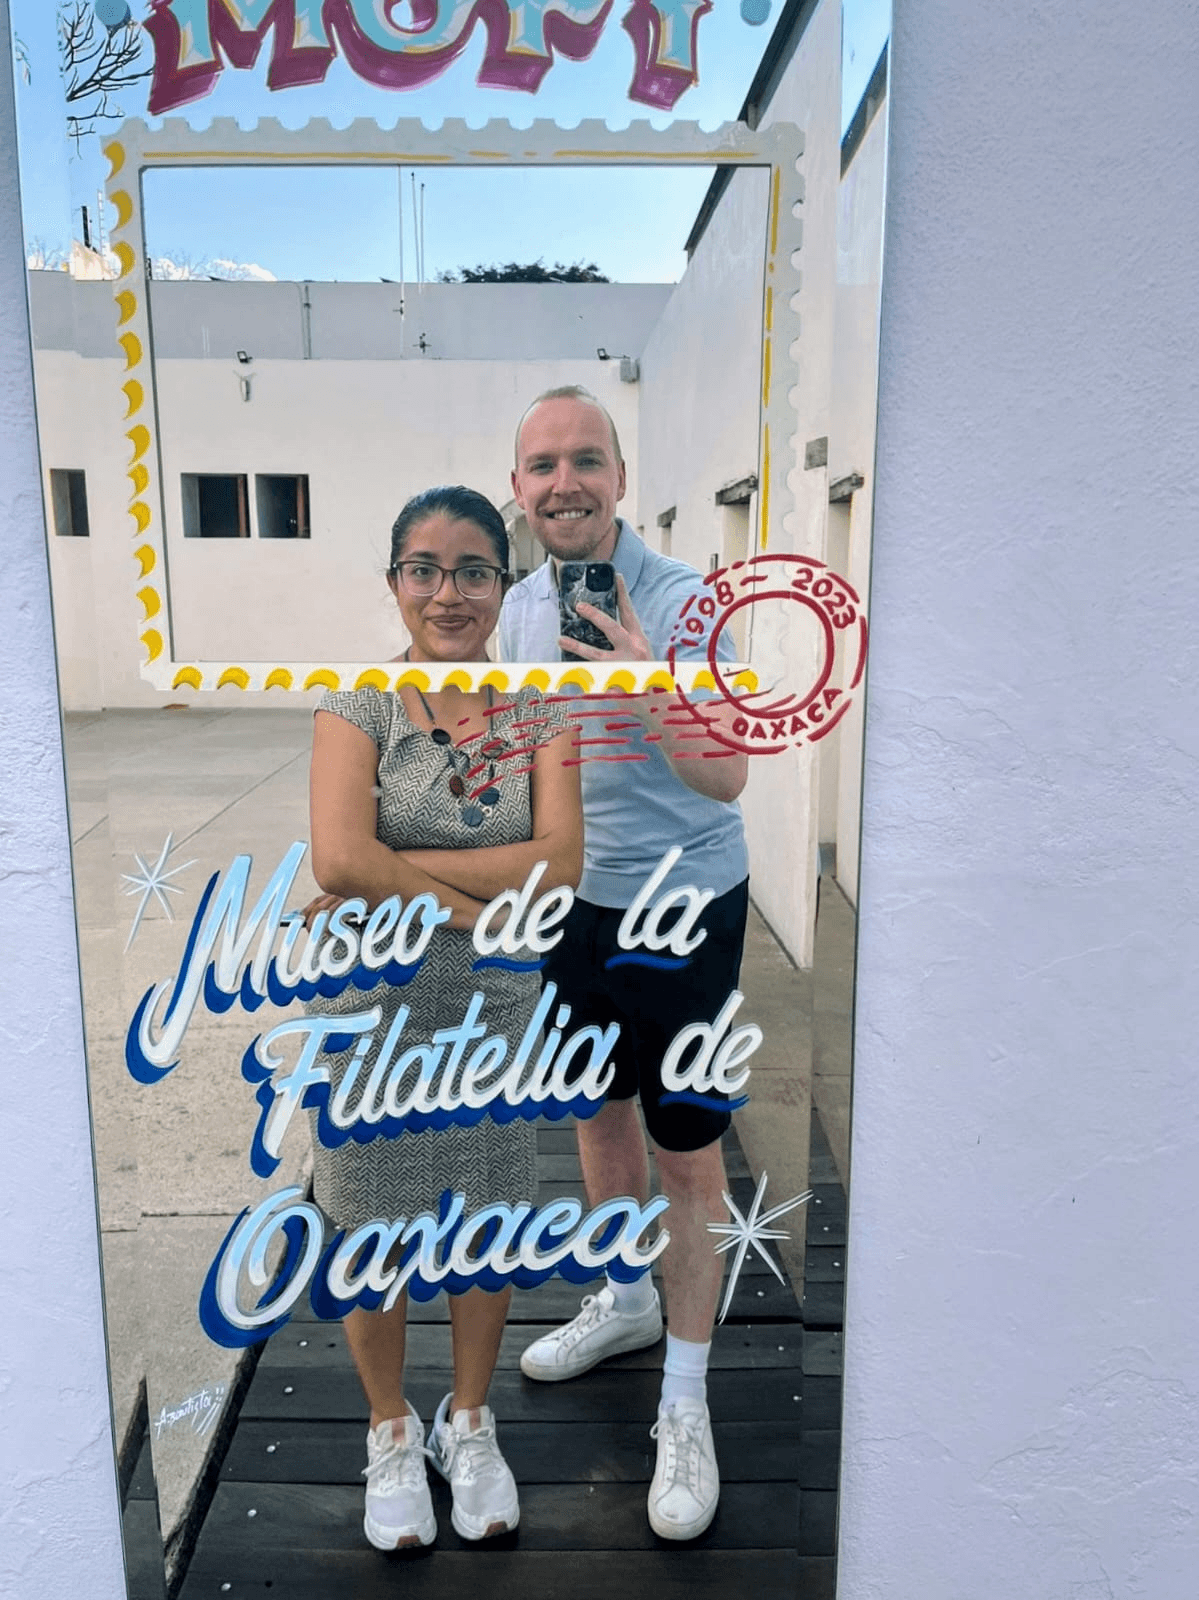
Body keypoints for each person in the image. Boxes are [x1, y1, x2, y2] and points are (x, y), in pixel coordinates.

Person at [304, 485, 581, 1551]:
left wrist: (397, 869)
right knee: (372, 1224)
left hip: (497, 1019)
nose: (448, 591)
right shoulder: (355, 701)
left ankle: (468, 1419)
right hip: (371, 1019)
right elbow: (333, 858)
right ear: (393, 583)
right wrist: (480, 904)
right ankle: (389, 1425)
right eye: (423, 568)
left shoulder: (538, 711)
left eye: (472, 569)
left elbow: (559, 864)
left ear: (503, 588)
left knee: (483, 1223)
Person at [499, 387, 750, 1541]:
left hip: (682, 906)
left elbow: (727, 776)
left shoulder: (687, 602)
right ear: (519, 487)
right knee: (596, 1121)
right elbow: (508, 762)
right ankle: (623, 1299)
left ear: (617, 477)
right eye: (542, 464)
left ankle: (685, 1404)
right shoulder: (512, 613)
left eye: (584, 460)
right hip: (571, 909)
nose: (564, 482)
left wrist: (650, 679)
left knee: (686, 1158)